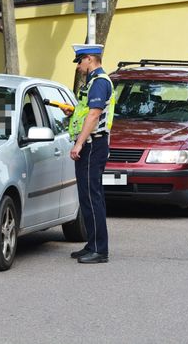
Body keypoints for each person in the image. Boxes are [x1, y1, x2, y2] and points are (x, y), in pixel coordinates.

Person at [63, 44, 115, 263]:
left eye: (80, 62)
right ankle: (92, 244)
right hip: (91, 144)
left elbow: (94, 115)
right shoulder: (94, 82)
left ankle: (100, 250)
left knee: (92, 197)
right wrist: (72, 111)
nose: (78, 67)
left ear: (90, 60)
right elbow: (86, 112)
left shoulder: (100, 82)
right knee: (88, 195)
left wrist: (79, 144)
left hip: (93, 144)